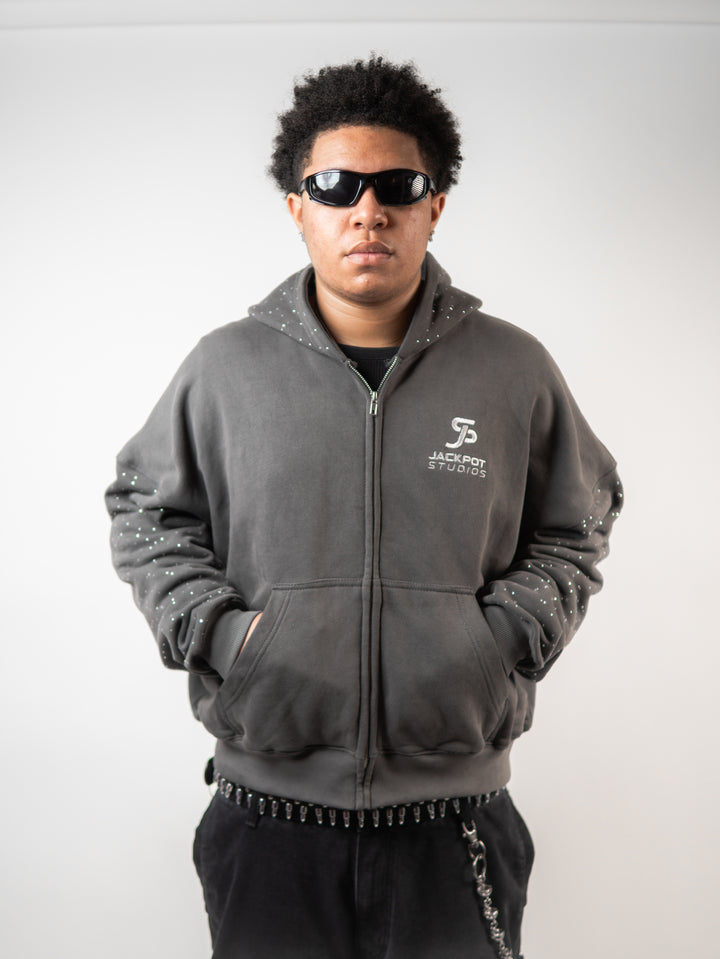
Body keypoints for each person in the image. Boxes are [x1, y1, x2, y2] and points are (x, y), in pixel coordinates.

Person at [106, 56, 623, 959]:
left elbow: (579, 520)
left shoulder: (513, 369)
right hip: (266, 825)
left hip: (457, 825)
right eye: (337, 186)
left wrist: (496, 641)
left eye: (398, 186)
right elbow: (146, 513)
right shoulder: (224, 369)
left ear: (436, 204)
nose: (368, 210)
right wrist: (231, 640)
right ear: (297, 205)